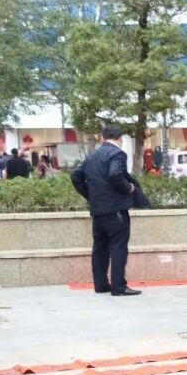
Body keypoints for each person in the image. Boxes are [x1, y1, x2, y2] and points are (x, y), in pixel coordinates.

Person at [71, 125, 145, 297]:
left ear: (102, 138)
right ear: (120, 139)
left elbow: (76, 176)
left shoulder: (92, 155)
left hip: (98, 210)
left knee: (100, 248)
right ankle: (118, 287)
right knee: (119, 247)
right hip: (116, 210)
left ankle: (101, 285)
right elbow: (115, 174)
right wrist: (128, 188)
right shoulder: (117, 154)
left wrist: (91, 195)